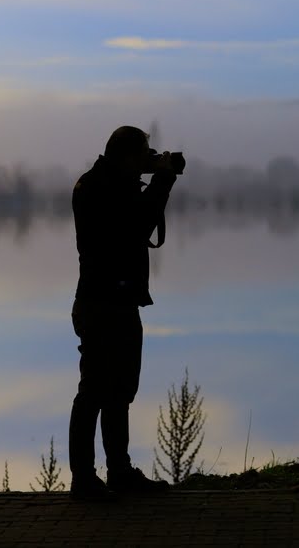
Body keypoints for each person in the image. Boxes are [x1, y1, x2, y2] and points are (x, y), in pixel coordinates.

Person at [68, 125, 178, 499]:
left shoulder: (107, 182)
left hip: (117, 301)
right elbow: (137, 226)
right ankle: (83, 479)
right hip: (102, 304)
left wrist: (145, 178)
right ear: (127, 156)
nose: (149, 160)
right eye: (144, 154)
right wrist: (161, 181)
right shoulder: (101, 188)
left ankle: (119, 472)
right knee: (94, 391)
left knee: (119, 391)